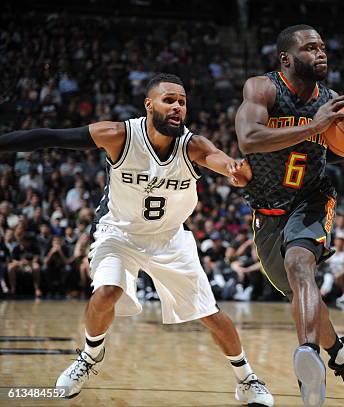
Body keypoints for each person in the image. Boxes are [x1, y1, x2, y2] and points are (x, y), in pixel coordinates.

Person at [0, 73, 274, 406]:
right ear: (149, 105)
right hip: (120, 231)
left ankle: (247, 379)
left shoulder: (193, 146)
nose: (177, 107)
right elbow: (49, 137)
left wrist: (235, 171)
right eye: (169, 100)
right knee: (107, 292)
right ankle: (88, 357)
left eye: (182, 102)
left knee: (210, 314)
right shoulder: (118, 135)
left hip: (171, 238)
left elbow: (223, 162)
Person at [235, 25, 344, 407]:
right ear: (286, 58)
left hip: (311, 198)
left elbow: (343, 144)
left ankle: (307, 356)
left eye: (323, 47)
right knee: (299, 291)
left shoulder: (332, 102)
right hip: (267, 210)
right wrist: (313, 126)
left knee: (300, 265)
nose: (321, 52)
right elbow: (249, 138)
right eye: (311, 48)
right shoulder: (263, 89)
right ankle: (343, 356)